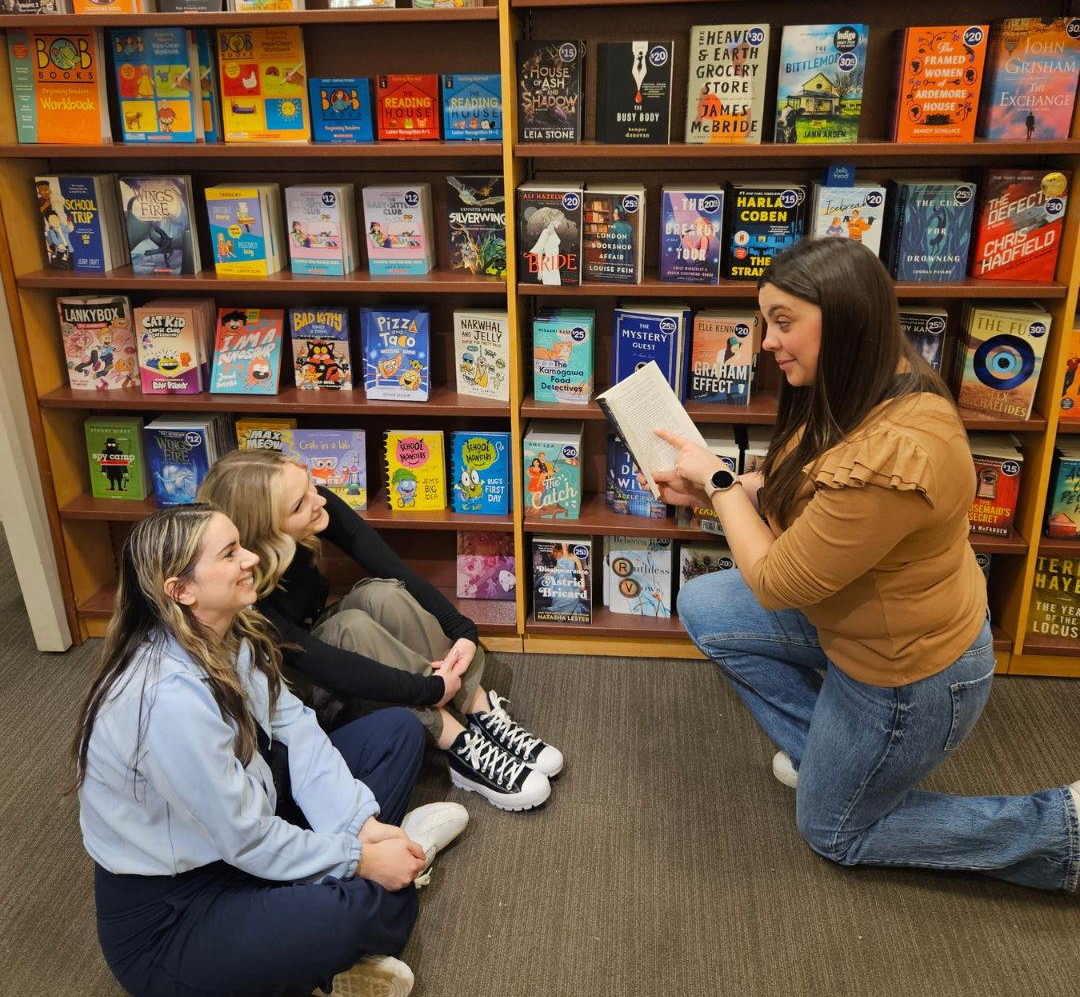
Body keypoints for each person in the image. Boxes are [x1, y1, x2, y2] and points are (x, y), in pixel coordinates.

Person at [654, 237, 1080, 893]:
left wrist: (715, 483)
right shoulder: (863, 384)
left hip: (909, 677)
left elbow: (775, 582)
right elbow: (802, 489)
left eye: (784, 322)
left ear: (847, 317)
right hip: (850, 625)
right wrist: (724, 492)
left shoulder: (896, 452)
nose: (767, 340)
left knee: (833, 831)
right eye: (767, 321)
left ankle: (1059, 830)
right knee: (705, 605)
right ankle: (831, 754)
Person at [71, 504, 471, 997]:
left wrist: (360, 825)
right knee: (357, 913)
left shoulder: (222, 630)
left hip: (240, 837)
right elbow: (246, 840)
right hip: (173, 916)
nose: (252, 558)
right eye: (230, 553)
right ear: (180, 590)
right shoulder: (166, 702)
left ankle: (372, 867)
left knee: (397, 732)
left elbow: (295, 726)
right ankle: (383, 878)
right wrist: (361, 858)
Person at [198, 450, 562, 812]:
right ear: (264, 533)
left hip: (316, 649)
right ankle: (459, 746)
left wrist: (462, 630)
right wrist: (428, 689)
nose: (317, 499)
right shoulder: (241, 589)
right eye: (297, 505)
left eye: (309, 483)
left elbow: (390, 566)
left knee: (382, 592)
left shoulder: (314, 503)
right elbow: (318, 661)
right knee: (348, 628)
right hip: (288, 690)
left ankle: (479, 711)